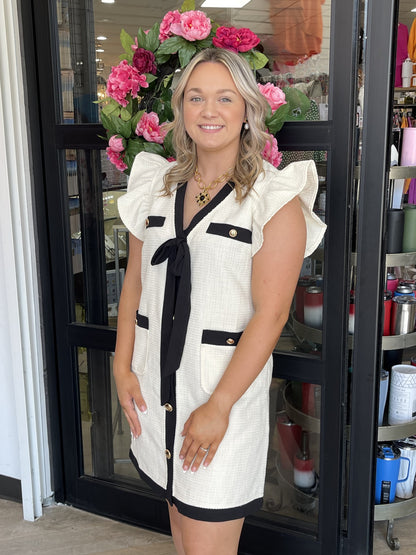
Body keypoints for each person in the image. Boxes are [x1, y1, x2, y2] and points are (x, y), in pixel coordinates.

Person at [114, 48, 326, 555]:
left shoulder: (274, 200)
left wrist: (220, 405)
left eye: (224, 97)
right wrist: (122, 367)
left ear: (248, 109)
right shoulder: (157, 188)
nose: (209, 111)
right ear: (181, 109)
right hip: (156, 395)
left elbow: (272, 315)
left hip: (218, 402)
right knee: (185, 539)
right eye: (196, 97)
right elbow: (134, 286)